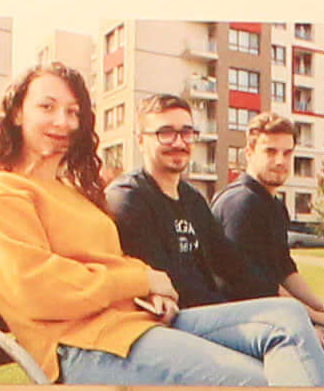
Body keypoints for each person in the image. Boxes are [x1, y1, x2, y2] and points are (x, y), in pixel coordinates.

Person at [0, 61, 324, 387]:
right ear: (17, 112)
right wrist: (143, 280)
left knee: (289, 319)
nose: (64, 122)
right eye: (47, 107)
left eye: (73, 111)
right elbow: (35, 288)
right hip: (84, 346)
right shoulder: (2, 192)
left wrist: (153, 288)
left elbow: (113, 259)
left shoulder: (71, 192)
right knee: (266, 382)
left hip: (139, 323)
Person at [208, 115, 324, 381]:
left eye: (287, 153)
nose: (280, 161)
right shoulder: (241, 204)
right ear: (249, 153)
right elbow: (252, 286)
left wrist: (320, 307)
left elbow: (284, 269)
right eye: (270, 151)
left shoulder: (273, 203)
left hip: (267, 303)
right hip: (237, 313)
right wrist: (308, 320)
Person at [109, 100, 261, 310]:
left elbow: (233, 265)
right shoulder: (128, 198)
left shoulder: (193, 199)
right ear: (141, 141)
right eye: (166, 133)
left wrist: (280, 298)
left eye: (186, 133)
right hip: (175, 316)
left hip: (211, 309)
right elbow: (170, 282)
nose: (179, 143)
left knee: (290, 311)